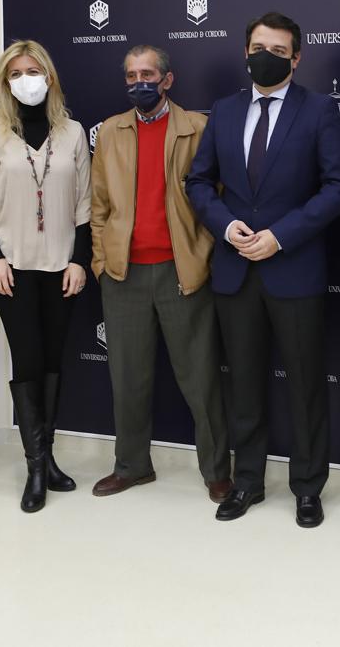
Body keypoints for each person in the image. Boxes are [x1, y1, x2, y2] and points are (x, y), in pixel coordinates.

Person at [185, 12, 340, 528]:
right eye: (258, 46)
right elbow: (198, 182)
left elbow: (339, 187)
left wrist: (281, 236)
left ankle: (307, 488)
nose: (267, 56)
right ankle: (248, 483)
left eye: (278, 50)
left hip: (294, 268)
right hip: (235, 270)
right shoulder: (224, 109)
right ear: (245, 51)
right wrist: (226, 224)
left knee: (305, 385)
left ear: (296, 58)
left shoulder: (320, 111)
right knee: (244, 385)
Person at [89, 45, 232, 503]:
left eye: (147, 74)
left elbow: (218, 197)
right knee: (127, 378)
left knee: (201, 378)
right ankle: (131, 465)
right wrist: (102, 262)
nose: (139, 83)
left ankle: (216, 471)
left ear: (167, 80)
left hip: (181, 271)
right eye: (131, 76)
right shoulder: (111, 132)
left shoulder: (197, 127)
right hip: (124, 273)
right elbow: (99, 206)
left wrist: (202, 252)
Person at [0, 40, 90, 513]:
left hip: (62, 266)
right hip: (13, 268)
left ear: (50, 76)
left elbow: (84, 203)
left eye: (33, 70)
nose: (26, 79)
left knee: (54, 362)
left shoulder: (74, 133)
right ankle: (35, 468)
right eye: (16, 73)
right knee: (28, 360)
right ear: (5, 82)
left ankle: (49, 457)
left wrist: (80, 260)